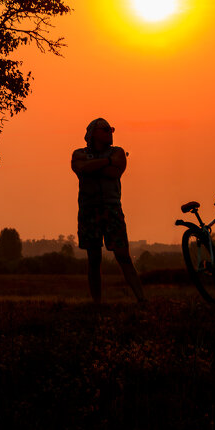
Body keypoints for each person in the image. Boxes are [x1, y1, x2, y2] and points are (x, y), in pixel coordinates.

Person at [70, 118, 146, 304]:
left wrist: (94, 166)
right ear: (93, 133)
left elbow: (114, 172)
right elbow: (81, 167)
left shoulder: (118, 152)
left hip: (112, 209)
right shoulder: (79, 153)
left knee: (123, 256)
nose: (110, 132)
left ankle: (142, 300)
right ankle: (97, 303)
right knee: (94, 258)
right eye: (105, 129)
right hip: (89, 210)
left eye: (111, 129)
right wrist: (107, 162)